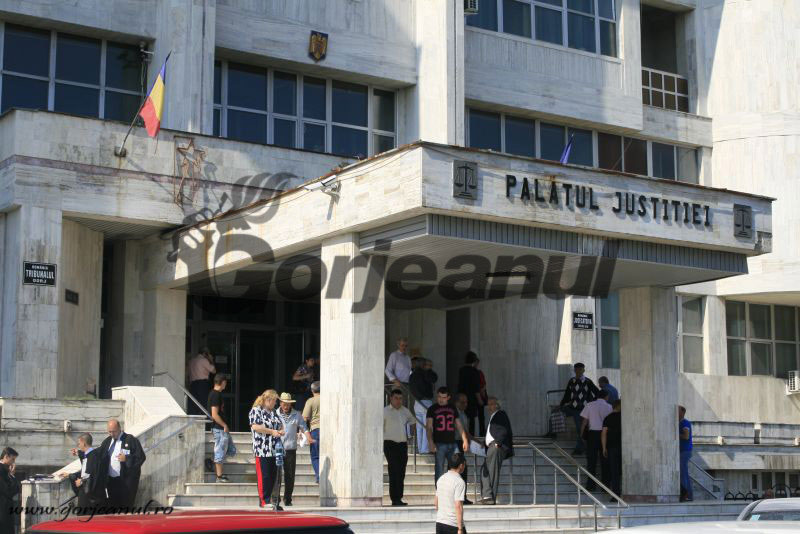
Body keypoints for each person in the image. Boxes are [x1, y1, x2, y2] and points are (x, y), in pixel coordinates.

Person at [272, 392, 313, 507]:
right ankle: (275, 499)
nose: (286, 406)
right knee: (277, 475)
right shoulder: (274, 413)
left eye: (288, 404)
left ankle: (288, 499)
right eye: (284, 403)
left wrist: (308, 437)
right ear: (280, 403)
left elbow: (304, 427)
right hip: (277, 448)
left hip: (290, 448)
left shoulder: (297, 414)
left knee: (290, 475)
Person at [249, 389, 286, 511]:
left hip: (274, 449)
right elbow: (255, 426)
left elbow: (280, 425)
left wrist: (281, 430)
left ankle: (272, 500)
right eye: (274, 401)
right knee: (264, 476)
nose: (275, 403)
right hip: (262, 449)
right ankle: (264, 500)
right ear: (268, 400)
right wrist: (271, 431)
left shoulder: (273, 412)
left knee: (273, 476)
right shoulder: (256, 410)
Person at [99, 418, 146, 508]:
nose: (112, 434)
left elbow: (141, 457)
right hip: (111, 482)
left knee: (125, 507)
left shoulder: (130, 440)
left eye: (114, 431)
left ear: (119, 429)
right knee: (112, 507)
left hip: (125, 482)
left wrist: (127, 459)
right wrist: (82, 453)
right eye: (109, 432)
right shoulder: (107, 441)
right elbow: (98, 454)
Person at [427, 387, 469, 486]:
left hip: (452, 443)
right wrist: (430, 442)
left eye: (444, 397)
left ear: (448, 397)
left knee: (459, 465)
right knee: (439, 469)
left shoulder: (453, 408)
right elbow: (429, 427)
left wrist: (465, 440)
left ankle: (454, 488)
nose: (441, 399)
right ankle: (439, 492)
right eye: (439, 397)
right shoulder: (432, 409)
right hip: (439, 443)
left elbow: (459, 425)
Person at [383, 388, 417, 506]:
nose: (398, 401)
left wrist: (411, 433)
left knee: (401, 471)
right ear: (391, 398)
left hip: (402, 444)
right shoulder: (385, 411)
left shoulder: (405, 411)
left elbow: (413, 421)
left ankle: (399, 497)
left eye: (400, 398)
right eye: (396, 398)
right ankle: (394, 498)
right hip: (389, 443)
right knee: (394, 470)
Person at [560, 363, 600, 455]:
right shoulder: (572, 381)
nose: (578, 371)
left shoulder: (588, 381)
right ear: (574, 370)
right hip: (574, 408)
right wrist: (562, 404)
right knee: (580, 428)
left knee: (580, 428)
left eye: (580, 369)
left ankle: (580, 448)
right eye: (577, 369)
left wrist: (591, 402)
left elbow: (597, 392)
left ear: (583, 370)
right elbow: (567, 394)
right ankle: (582, 447)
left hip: (584, 409)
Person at [479, 397, 514, 505]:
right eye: (488, 404)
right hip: (491, 446)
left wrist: (498, 442)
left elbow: (504, 429)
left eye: (491, 404)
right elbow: (492, 432)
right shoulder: (493, 416)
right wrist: (484, 442)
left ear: (497, 405)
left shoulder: (500, 414)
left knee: (492, 471)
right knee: (485, 470)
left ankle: (490, 498)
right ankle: (487, 495)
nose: (489, 407)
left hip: (496, 446)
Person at [580, 389, 612, 490]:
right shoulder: (609, 407)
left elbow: (584, 421)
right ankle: (605, 486)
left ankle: (590, 486)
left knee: (591, 461)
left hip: (592, 435)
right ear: (606, 396)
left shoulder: (589, 405)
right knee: (605, 461)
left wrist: (582, 435)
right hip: (605, 434)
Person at [68, 433, 107, 514]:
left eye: (79, 443)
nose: (78, 445)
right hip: (87, 492)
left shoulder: (93, 457)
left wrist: (81, 481)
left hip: (90, 496)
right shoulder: (90, 455)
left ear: (83, 443)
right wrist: (78, 452)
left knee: (85, 517)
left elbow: (93, 474)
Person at [208, 374, 236, 482]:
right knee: (220, 450)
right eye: (225, 382)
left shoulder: (216, 394)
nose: (226, 384)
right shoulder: (215, 395)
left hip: (220, 428)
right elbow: (214, 414)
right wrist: (224, 425)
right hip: (219, 428)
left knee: (230, 449)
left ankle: (211, 461)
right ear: (222, 382)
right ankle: (219, 476)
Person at [409, 357, 438, 454]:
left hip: (417, 402)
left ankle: (420, 448)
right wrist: (429, 370)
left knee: (419, 427)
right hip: (426, 401)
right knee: (427, 426)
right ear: (423, 365)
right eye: (426, 364)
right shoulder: (425, 373)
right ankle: (425, 449)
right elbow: (434, 378)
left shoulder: (412, 375)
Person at [434, 451, 468, 534]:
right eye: (465, 464)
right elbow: (458, 506)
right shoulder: (459, 482)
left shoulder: (441, 478)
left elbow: (436, 502)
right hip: (453, 525)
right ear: (461, 465)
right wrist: (460, 529)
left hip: (440, 523)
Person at [457, 352, 483, 437]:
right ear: (474, 360)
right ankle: (471, 437)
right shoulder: (474, 371)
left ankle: (461, 434)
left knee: (461, 415)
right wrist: (479, 399)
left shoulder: (461, 370)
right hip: (471, 397)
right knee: (471, 418)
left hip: (462, 396)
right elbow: (476, 387)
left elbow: (460, 384)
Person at [454, 393, 473, 504]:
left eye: (466, 402)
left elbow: (466, 431)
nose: (465, 404)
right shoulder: (455, 414)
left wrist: (475, 441)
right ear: (456, 402)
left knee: (463, 470)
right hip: (455, 443)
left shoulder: (464, 415)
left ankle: (462, 496)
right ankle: (458, 497)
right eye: (462, 402)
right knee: (458, 469)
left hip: (461, 443)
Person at [601, 400, 622, 500]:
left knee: (614, 471)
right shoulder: (624, 417)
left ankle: (616, 494)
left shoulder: (608, 418)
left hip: (612, 447)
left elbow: (604, 433)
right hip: (624, 447)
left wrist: (604, 448)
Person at [303, 381, 321, 483]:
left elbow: (304, 418)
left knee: (315, 456)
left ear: (312, 390)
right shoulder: (327, 399)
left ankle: (319, 477)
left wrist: (302, 432)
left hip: (315, 430)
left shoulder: (310, 401)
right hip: (328, 430)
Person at [187, 348, 215, 416]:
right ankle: (204, 420)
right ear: (205, 354)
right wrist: (211, 360)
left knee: (194, 404)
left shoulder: (192, 360)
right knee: (203, 404)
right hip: (202, 384)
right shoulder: (204, 360)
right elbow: (213, 371)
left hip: (193, 384)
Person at [0, 447, 20, 534]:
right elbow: (9, 491)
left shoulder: (4, 469)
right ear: (6, 456)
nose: (13, 462)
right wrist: (12, 475)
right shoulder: (1, 470)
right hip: (3, 511)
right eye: (13, 459)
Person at [679, 405, 693, 502]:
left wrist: (675, 434)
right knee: (684, 473)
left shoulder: (685, 423)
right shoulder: (680, 423)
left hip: (685, 451)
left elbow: (686, 436)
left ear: (682, 412)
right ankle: (688, 494)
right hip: (683, 451)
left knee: (683, 473)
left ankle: (686, 494)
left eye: (678, 410)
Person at [477, 361, 488, 438]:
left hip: (476, 396)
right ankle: (481, 432)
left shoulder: (479, 373)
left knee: (480, 415)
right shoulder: (479, 373)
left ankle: (481, 432)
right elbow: (483, 384)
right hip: (479, 395)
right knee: (481, 416)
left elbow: (483, 384)